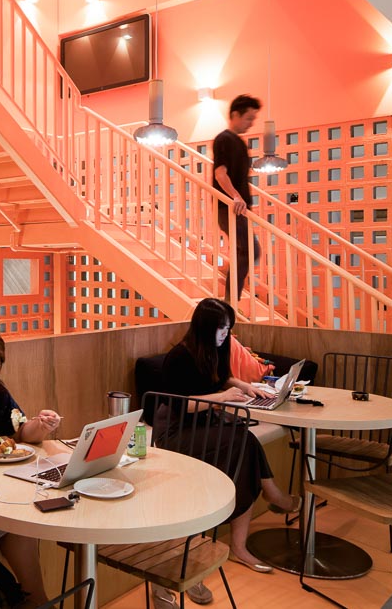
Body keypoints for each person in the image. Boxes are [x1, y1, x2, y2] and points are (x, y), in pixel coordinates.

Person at [149, 298, 300, 608]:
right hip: (176, 431)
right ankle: (273, 498)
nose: (225, 335)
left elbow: (219, 378)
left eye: (228, 329)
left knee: (243, 448)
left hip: (204, 424)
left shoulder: (214, 348)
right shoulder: (179, 357)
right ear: (206, 329)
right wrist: (221, 398)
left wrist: (244, 386)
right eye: (221, 329)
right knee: (243, 441)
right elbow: (179, 405)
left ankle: (242, 543)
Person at [0, 325, 61, 608]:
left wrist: (42, 425)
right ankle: (36, 601)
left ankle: (36, 600)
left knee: (22, 518)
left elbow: (21, 432)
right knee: (17, 521)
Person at [212, 94, 263, 302]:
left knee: (247, 251)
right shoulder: (224, 139)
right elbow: (220, 173)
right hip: (228, 207)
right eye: (248, 118)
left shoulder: (241, 144)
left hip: (239, 208)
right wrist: (235, 197)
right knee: (250, 251)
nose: (251, 123)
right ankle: (230, 300)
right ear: (235, 114)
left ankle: (231, 297)